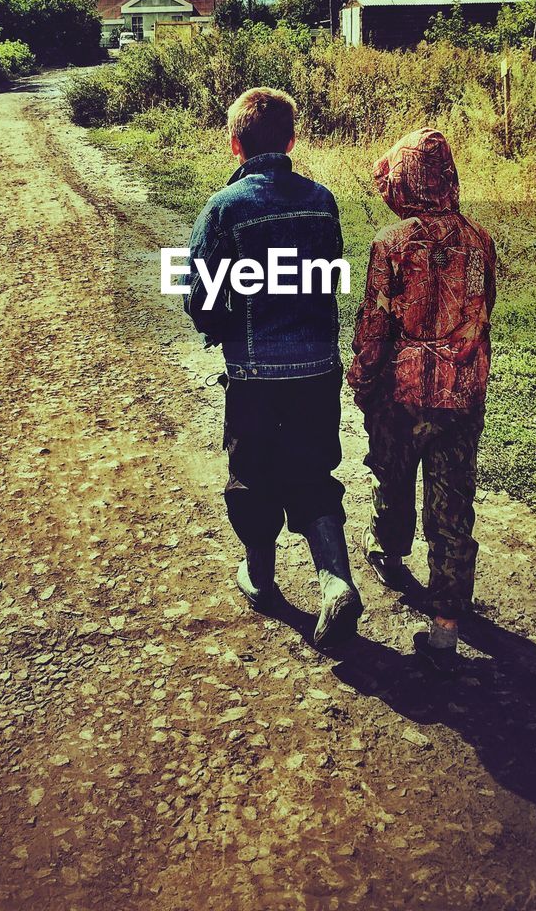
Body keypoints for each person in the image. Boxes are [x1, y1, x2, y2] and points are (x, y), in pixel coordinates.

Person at [183, 87, 363, 648]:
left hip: (256, 375)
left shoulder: (225, 208)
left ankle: (260, 574)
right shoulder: (323, 200)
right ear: (292, 140)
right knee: (313, 472)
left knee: (253, 473)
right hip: (316, 368)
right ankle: (335, 581)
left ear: (234, 144)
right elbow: (331, 275)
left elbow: (201, 296)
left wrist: (218, 328)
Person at [347, 128, 496, 673]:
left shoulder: (391, 244)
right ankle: (447, 627)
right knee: (453, 503)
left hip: (402, 393)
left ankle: (388, 547)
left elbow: (374, 326)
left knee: (392, 473)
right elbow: (483, 315)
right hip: (460, 392)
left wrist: (362, 378)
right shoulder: (479, 241)